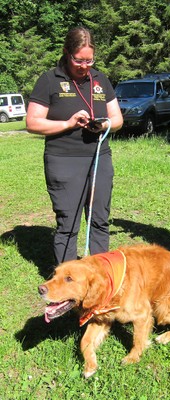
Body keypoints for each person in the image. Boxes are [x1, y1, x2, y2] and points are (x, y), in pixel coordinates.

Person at [26, 26, 123, 266]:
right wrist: (68, 123)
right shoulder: (50, 80)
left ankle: (102, 279)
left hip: (99, 158)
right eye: (79, 60)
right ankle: (67, 286)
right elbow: (32, 122)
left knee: (99, 220)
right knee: (68, 223)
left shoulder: (100, 79)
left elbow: (118, 119)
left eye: (89, 60)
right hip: (64, 160)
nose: (84, 66)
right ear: (67, 53)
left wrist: (104, 125)